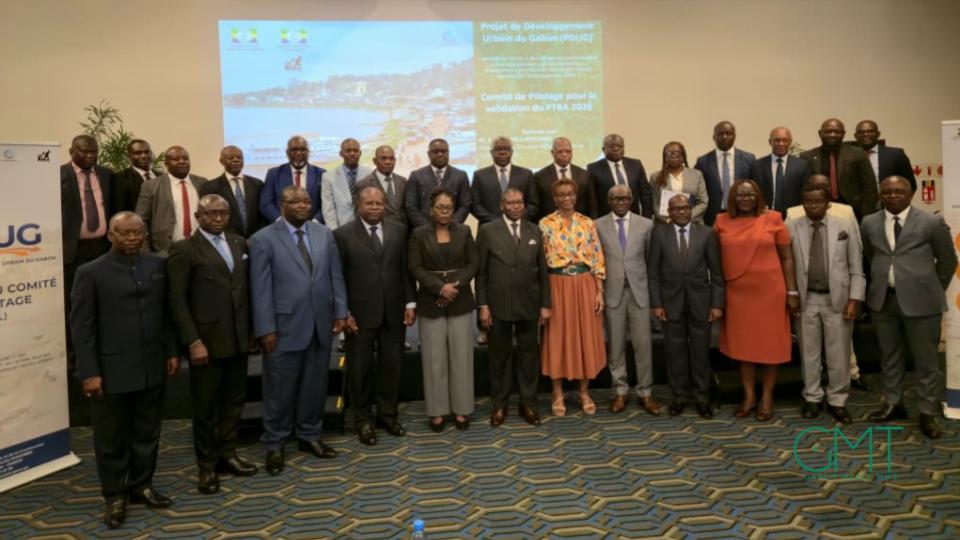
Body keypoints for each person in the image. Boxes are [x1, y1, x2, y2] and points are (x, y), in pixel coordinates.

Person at [70, 212, 179, 529]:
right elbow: (82, 328)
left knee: (147, 431)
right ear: (111, 236)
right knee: (111, 437)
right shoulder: (90, 272)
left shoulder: (157, 265)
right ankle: (115, 495)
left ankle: (142, 484)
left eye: (137, 233)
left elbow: (166, 314)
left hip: (151, 365)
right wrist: (89, 372)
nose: (132, 238)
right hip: (110, 370)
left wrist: (172, 351)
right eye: (124, 233)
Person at [249, 186, 348, 474]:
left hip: (320, 324)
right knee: (279, 389)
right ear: (282, 205)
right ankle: (275, 443)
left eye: (307, 201)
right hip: (282, 328)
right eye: (296, 202)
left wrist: (340, 311)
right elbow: (260, 289)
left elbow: (335, 275)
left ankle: (309, 435)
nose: (303, 206)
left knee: (314, 386)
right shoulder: (262, 239)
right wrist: (265, 329)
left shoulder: (323, 233)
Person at [167, 195, 258, 495]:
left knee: (233, 401)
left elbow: (244, 290)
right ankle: (206, 466)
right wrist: (193, 341)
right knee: (206, 408)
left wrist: (251, 331)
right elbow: (177, 300)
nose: (218, 218)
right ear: (198, 216)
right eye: (211, 214)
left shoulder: (238, 242)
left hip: (238, 338)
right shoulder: (183, 249)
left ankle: (227, 455)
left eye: (223, 213)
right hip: (206, 342)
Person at [862, 176, 956, 439]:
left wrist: (930, 287)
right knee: (889, 357)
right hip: (884, 300)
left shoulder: (931, 222)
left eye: (899, 191)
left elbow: (948, 260)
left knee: (926, 361)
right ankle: (893, 402)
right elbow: (871, 255)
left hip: (922, 302)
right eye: (887, 192)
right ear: (880, 195)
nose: (893, 196)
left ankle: (927, 412)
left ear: (910, 194)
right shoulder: (869, 222)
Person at [334, 186, 416, 445]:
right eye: (368, 203)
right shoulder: (342, 235)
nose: (374, 208)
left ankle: (387, 415)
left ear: (385, 206)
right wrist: (344, 311)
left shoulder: (399, 230)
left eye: (378, 203)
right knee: (360, 370)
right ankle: (362, 420)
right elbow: (338, 277)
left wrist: (410, 302)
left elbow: (405, 270)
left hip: (393, 310)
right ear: (359, 206)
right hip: (359, 315)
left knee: (392, 366)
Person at [714, 180, 798, 422]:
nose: (745, 198)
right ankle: (749, 396)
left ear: (758, 197)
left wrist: (792, 292)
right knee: (744, 347)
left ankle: (767, 397)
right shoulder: (721, 221)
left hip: (770, 293)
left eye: (750, 194)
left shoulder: (773, 218)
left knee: (771, 346)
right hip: (737, 295)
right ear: (732, 197)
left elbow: (787, 257)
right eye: (740, 194)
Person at [786, 184, 865, 424]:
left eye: (818, 201)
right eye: (808, 202)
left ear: (828, 203)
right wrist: (791, 294)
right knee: (808, 352)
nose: (813, 206)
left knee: (839, 353)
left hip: (837, 299)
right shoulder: (792, 225)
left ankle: (837, 400)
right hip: (806, 298)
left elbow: (856, 265)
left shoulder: (844, 224)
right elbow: (786, 262)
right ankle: (812, 397)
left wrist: (855, 298)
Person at [476, 188, 551, 427]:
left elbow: (543, 272)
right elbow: (481, 273)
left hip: (529, 303)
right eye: (510, 203)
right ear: (502, 205)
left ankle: (528, 403)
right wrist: (482, 305)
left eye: (519, 202)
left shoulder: (535, 230)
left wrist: (545, 305)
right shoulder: (488, 230)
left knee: (529, 358)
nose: (516, 206)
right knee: (499, 358)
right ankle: (499, 405)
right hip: (498, 305)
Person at [408, 189, 479, 432]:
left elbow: (473, 263)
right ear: (431, 210)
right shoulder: (418, 234)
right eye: (440, 207)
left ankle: (461, 409)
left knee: (462, 358)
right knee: (434, 359)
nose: (445, 211)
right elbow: (415, 267)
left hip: (460, 299)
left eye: (449, 207)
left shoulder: (465, 231)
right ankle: (437, 411)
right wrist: (440, 288)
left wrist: (454, 286)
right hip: (431, 301)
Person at [649, 194, 725, 418]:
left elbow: (717, 273)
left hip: (701, 302)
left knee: (701, 352)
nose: (681, 212)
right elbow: (653, 272)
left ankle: (702, 398)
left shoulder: (707, 233)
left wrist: (717, 304)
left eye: (685, 208)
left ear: (691, 210)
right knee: (675, 352)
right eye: (676, 209)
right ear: (669, 212)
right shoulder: (659, 233)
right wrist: (656, 303)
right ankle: (679, 396)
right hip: (670, 302)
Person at [539, 178, 607, 416]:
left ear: (576, 196)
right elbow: (540, 262)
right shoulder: (545, 224)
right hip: (557, 285)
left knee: (585, 336)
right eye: (561, 194)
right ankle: (557, 393)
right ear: (554, 198)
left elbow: (597, 257)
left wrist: (599, 291)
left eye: (570, 193)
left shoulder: (587, 223)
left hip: (585, 283)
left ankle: (584, 392)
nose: (566, 198)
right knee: (557, 336)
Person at [595, 185, 658, 414]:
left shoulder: (646, 225)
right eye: (615, 198)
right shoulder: (597, 225)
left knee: (643, 345)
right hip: (612, 293)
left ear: (631, 200)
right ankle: (620, 391)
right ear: (609, 201)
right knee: (616, 345)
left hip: (639, 292)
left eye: (624, 198)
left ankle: (645, 392)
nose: (620, 202)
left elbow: (651, 261)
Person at [61, 134, 113, 357]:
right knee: (74, 303)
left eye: (94, 151)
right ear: (72, 151)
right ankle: (74, 355)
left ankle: (102, 349)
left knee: (104, 300)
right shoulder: (58, 175)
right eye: (85, 151)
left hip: (102, 248)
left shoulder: (106, 174)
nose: (91, 155)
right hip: (73, 251)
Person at [799, 118, 877, 220]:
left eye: (837, 131)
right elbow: (803, 187)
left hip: (853, 209)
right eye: (828, 131)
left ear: (843, 134)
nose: (832, 135)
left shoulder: (857, 153)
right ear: (820, 133)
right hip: (818, 210)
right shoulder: (807, 156)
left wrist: (866, 214)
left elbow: (869, 185)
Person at [135, 146, 207, 255]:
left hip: (200, 248)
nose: (182, 162)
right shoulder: (151, 186)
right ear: (166, 163)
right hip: (165, 250)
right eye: (176, 159)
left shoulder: (202, 183)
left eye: (185, 158)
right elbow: (141, 220)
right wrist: (146, 252)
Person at [695, 121, 757, 226]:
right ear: (714, 137)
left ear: (734, 136)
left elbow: (755, 188)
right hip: (712, 216)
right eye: (721, 134)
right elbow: (698, 190)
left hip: (741, 213)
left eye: (728, 133)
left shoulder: (749, 159)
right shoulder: (703, 162)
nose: (724, 137)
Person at [199, 145, 266, 239]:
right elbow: (209, 217)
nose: (236, 160)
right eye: (230, 158)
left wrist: (256, 236)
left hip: (256, 238)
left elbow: (263, 214)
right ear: (221, 161)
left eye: (239, 157)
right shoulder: (210, 187)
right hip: (226, 240)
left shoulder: (257, 184)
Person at [404, 139, 471, 228]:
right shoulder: (416, 176)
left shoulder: (460, 176)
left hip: (452, 231)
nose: (440, 154)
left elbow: (465, 205)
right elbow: (411, 206)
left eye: (443, 151)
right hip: (423, 232)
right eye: (435, 151)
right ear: (429, 154)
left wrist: (451, 227)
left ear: (448, 153)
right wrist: (426, 229)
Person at [527, 137, 598, 222]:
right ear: (552, 152)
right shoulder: (540, 176)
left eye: (568, 151)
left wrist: (592, 223)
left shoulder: (584, 175)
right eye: (560, 152)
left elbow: (592, 205)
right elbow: (537, 207)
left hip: (580, 224)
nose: (564, 154)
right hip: (550, 224)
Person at [259, 135, 326, 223]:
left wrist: (314, 223)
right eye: (294, 150)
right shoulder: (274, 174)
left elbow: (326, 203)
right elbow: (266, 203)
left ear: (308, 152)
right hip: (282, 227)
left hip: (314, 226)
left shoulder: (321, 174)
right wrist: (281, 222)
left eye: (302, 149)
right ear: (287, 153)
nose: (298, 153)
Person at [471, 136, 534, 225]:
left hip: (519, 226)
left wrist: (516, 219)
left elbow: (533, 204)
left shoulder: (526, 174)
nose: (502, 152)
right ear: (491, 153)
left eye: (506, 149)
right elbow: (475, 205)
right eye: (498, 149)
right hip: (489, 228)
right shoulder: (480, 175)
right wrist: (497, 222)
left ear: (511, 152)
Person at [587, 133, 653, 218]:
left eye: (620, 146)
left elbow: (645, 195)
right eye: (612, 146)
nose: (616, 149)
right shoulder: (593, 168)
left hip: (633, 217)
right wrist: (594, 221)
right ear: (603, 149)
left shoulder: (636, 165)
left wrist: (646, 218)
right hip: (606, 218)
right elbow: (592, 200)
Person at [751, 127, 810, 216]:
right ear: (770, 142)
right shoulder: (757, 165)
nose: (781, 144)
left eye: (785, 140)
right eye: (777, 140)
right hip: (766, 214)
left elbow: (806, 192)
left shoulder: (802, 165)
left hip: (794, 215)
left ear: (790, 142)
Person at [649, 142, 708, 224]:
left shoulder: (697, 175)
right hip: (666, 224)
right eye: (669, 154)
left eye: (677, 153)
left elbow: (703, 202)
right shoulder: (655, 177)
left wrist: (687, 217)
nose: (673, 156)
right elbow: (655, 204)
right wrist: (668, 220)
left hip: (693, 222)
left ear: (683, 157)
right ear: (665, 158)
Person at [321, 138, 374, 229]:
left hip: (366, 228)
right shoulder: (328, 177)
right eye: (348, 151)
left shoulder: (370, 174)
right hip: (341, 228)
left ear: (360, 153)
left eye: (355, 151)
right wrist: (335, 232)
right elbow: (328, 209)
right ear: (341, 153)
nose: (352, 153)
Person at [854, 120, 918, 192]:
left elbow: (910, 185)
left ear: (878, 134)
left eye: (870, 131)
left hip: (887, 198)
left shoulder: (895, 154)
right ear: (856, 136)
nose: (866, 134)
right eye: (861, 132)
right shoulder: (849, 156)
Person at [356, 145, 409, 225]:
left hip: (403, 229)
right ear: (375, 161)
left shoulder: (402, 181)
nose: (388, 162)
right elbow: (359, 214)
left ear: (395, 160)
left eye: (391, 158)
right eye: (383, 158)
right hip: (379, 229)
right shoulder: (363, 184)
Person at [112, 139, 160, 214]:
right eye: (138, 153)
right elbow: (120, 209)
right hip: (138, 220)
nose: (143, 156)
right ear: (129, 156)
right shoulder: (121, 178)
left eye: (146, 152)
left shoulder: (161, 176)